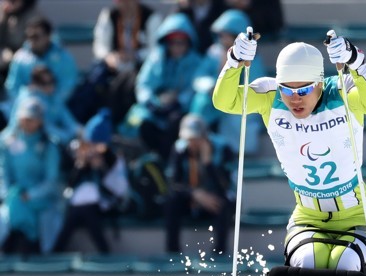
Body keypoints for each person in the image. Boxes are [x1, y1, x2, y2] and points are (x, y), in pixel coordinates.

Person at [212, 32, 366, 271]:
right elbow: (225, 101)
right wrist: (233, 61)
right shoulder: (269, 96)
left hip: (354, 216)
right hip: (308, 217)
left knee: (344, 266)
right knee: (308, 265)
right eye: (286, 89)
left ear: (320, 83)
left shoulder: (341, 90)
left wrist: (356, 62)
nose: (294, 99)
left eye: (303, 90)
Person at [120, 13, 201, 163]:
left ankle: (168, 164)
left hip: (180, 111)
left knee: (175, 123)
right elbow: (144, 84)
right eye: (173, 42)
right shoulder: (157, 58)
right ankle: (153, 162)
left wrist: (177, 102)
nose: (176, 47)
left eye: (181, 43)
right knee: (143, 123)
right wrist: (152, 102)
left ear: (188, 43)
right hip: (155, 108)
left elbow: (194, 88)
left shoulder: (196, 62)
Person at [68, 0, 163, 126]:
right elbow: (100, 45)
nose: (125, 4)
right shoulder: (110, 15)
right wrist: (109, 57)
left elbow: (155, 50)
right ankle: (80, 120)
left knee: (126, 83)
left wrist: (136, 55)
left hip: (140, 67)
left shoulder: (151, 17)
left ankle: (113, 121)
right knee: (93, 79)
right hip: (115, 65)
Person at [190, 9, 266, 155]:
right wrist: (210, 86)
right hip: (214, 99)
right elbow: (199, 77)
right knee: (200, 102)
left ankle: (233, 154)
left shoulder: (252, 58)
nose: (223, 39)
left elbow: (255, 85)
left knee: (238, 119)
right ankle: (195, 141)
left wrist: (231, 91)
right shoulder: (213, 53)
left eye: (228, 35)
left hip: (237, 100)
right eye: (221, 35)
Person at [53, 108, 129, 254]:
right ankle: (56, 254)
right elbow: (69, 186)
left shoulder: (112, 159)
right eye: (90, 144)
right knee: (76, 213)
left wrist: (101, 169)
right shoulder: (78, 155)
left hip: (103, 205)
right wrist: (80, 166)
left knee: (87, 213)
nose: (93, 149)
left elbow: (117, 191)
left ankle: (105, 254)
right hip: (77, 206)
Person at [0, 96, 63, 254]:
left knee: (24, 212)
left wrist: (30, 195)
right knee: (13, 209)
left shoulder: (49, 146)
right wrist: (10, 193)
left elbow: (51, 180)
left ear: (40, 121)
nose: (28, 123)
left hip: (42, 199)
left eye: (32, 119)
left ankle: (29, 246)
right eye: (25, 118)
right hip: (16, 197)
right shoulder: (9, 143)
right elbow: (4, 172)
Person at [164, 113, 234, 254]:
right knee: (171, 201)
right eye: (188, 139)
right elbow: (173, 183)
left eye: (196, 139)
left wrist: (208, 164)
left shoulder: (223, 149)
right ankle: (173, 253)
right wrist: (195, 194)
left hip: (214, 199)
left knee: (225, 203)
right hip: (191, 199)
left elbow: (226, 186)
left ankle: (219, 253)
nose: (192, 143)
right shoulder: (179, 149)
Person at [4, 15, 78, 105]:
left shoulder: (64, 57)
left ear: (48, 36)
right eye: (29, 36)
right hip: (25, 109)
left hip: (56, 109)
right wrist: (25, 104)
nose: (32, 40)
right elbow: (12, 87)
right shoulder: (19, 58)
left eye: (36, 36)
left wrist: (48, 105)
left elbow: (67, 86)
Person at [7, 65, 82, 146]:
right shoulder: (30, 101)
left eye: (52, 81)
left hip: (53, 140)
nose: (50, 86)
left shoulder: (52, 98)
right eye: (45, 83)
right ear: (34, 83)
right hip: (27, 143)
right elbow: (45, 128)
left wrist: (77, 132)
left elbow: (68, 120)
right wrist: (69, 138)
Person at [0, 0, 39, 89]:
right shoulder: (4, 12)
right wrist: (4, 16)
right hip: (5, 50)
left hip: (24, 52)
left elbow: (31, 42)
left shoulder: (33, 16)